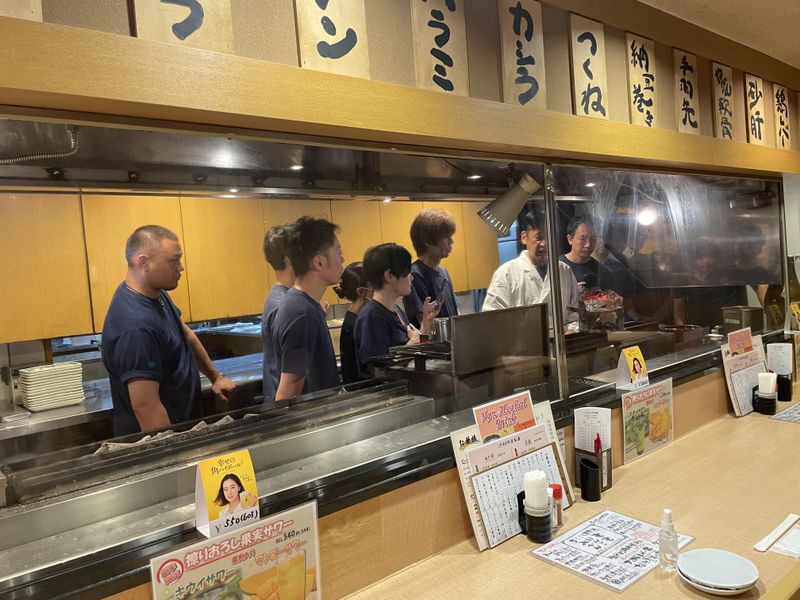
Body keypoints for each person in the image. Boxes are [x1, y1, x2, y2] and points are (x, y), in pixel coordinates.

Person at [101, 225, 236, 436]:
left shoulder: (156, 294)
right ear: (143, 262)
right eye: (173, 261)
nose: (180, 268)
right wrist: (175, 450)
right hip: (161, 439)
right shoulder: (135, 327)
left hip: (185, 427)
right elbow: (146, 407)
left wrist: (215, 377)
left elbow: (186, 336)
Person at [265, 216, 344, 401]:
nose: (343, 259)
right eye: (338, 252)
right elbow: (288, 392)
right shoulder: (301, 313)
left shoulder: (304, 306)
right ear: (319, 262)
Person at [483, 210, 580, 326]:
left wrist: (570, 329)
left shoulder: (564, 271)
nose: (544, 243)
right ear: (524, 237)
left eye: (549, 237)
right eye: (539, 237)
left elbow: (575, 311)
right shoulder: (506, 273)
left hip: (560, 337)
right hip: (521, 337)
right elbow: (492, 317)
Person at [354, 243, 437, 378]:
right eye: (407, 273)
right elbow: (377, 371)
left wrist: (426, 322)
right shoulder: (371, 317)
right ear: (389, 276)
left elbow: (412, 343)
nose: (411, 278)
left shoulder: (396, 309)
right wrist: (410, 346)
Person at [403, 208, 455, 329]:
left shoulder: (444, 272)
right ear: (427, 241)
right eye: (446, 236)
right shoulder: (415, 275)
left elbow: (454, 313)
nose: (451, 241)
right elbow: (425, 323)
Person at [333, 262, 372, 384]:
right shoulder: (356, 324)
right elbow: (362, 371)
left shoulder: (355, 318)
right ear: (362, 292)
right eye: (375, 285)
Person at [559, 217, 608, 289]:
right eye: (582, 239)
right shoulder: (557, 267)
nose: (588, 244)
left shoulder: (602, 270)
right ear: (570, 239)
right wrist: (572, 291)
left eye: (592, 239)